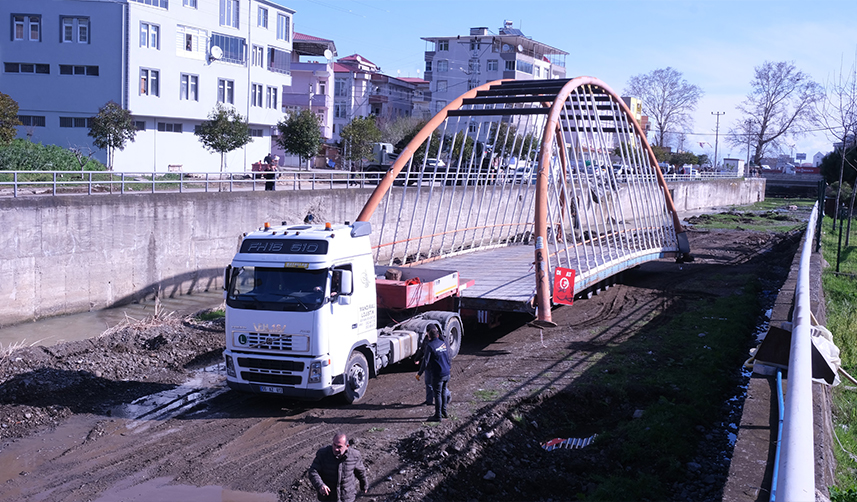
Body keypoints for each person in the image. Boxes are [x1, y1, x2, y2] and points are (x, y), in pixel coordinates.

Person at [308, 432, 367, 502]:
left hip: (347, 497)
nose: (335, 449)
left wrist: (364, 486)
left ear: (347, 446)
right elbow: (313, 471)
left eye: (339, 446)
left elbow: (360, 471)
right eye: (334, 445)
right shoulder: (323, 454)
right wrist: (320, 485)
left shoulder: (354, 456)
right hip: (328, 498)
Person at [416, 324, 451, 421]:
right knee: (443, 392)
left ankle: (438, 416)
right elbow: (448, 356)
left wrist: (419, 373)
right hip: (446, 373)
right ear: (438, 335)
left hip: (438, 375)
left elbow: (425, 361)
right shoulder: (443, 344)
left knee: (438, 394)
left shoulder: (430, 346)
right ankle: (444, 412)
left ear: (429, 336)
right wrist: (449, 367)